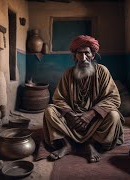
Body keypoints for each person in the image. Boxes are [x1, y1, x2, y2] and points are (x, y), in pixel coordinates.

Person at [43, 35, 124, 163]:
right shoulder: (68, 74)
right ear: (75, 56)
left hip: (95, 119)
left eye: (87, 53)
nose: (83, 58)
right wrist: (69, 114)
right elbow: (58, 98)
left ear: (93, 55)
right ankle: (66, 144)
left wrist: (90, 114)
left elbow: (113, 98)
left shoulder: (102, 71)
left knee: (114, 116)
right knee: (49, 110)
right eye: (80, 54)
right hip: (73, 119)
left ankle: (91, 144)